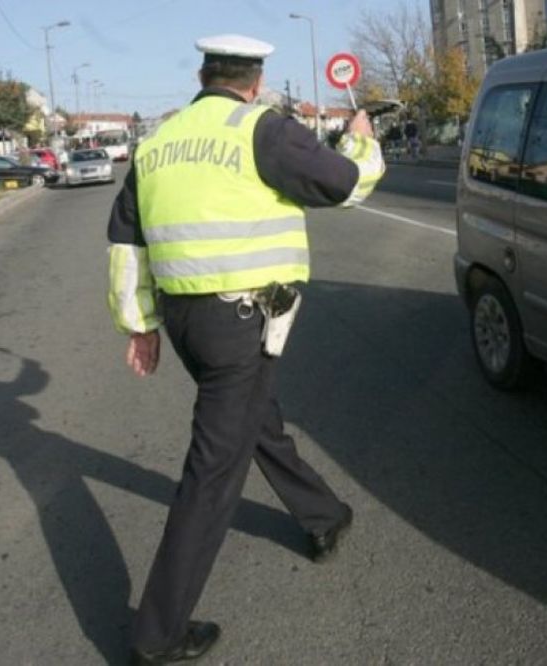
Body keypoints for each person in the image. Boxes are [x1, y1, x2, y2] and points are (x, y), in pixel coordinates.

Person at [106, 33, 384, 664]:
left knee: (255, 422)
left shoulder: (157, 142)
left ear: (203, 75)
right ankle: (158, 635)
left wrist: (140, 324)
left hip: (183, 322)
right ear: (254, 82)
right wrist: (363, 137)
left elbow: (127, 243)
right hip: (241, 321)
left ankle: (323, 515)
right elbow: (346, 184)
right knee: (212, 471)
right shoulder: (264, 130)